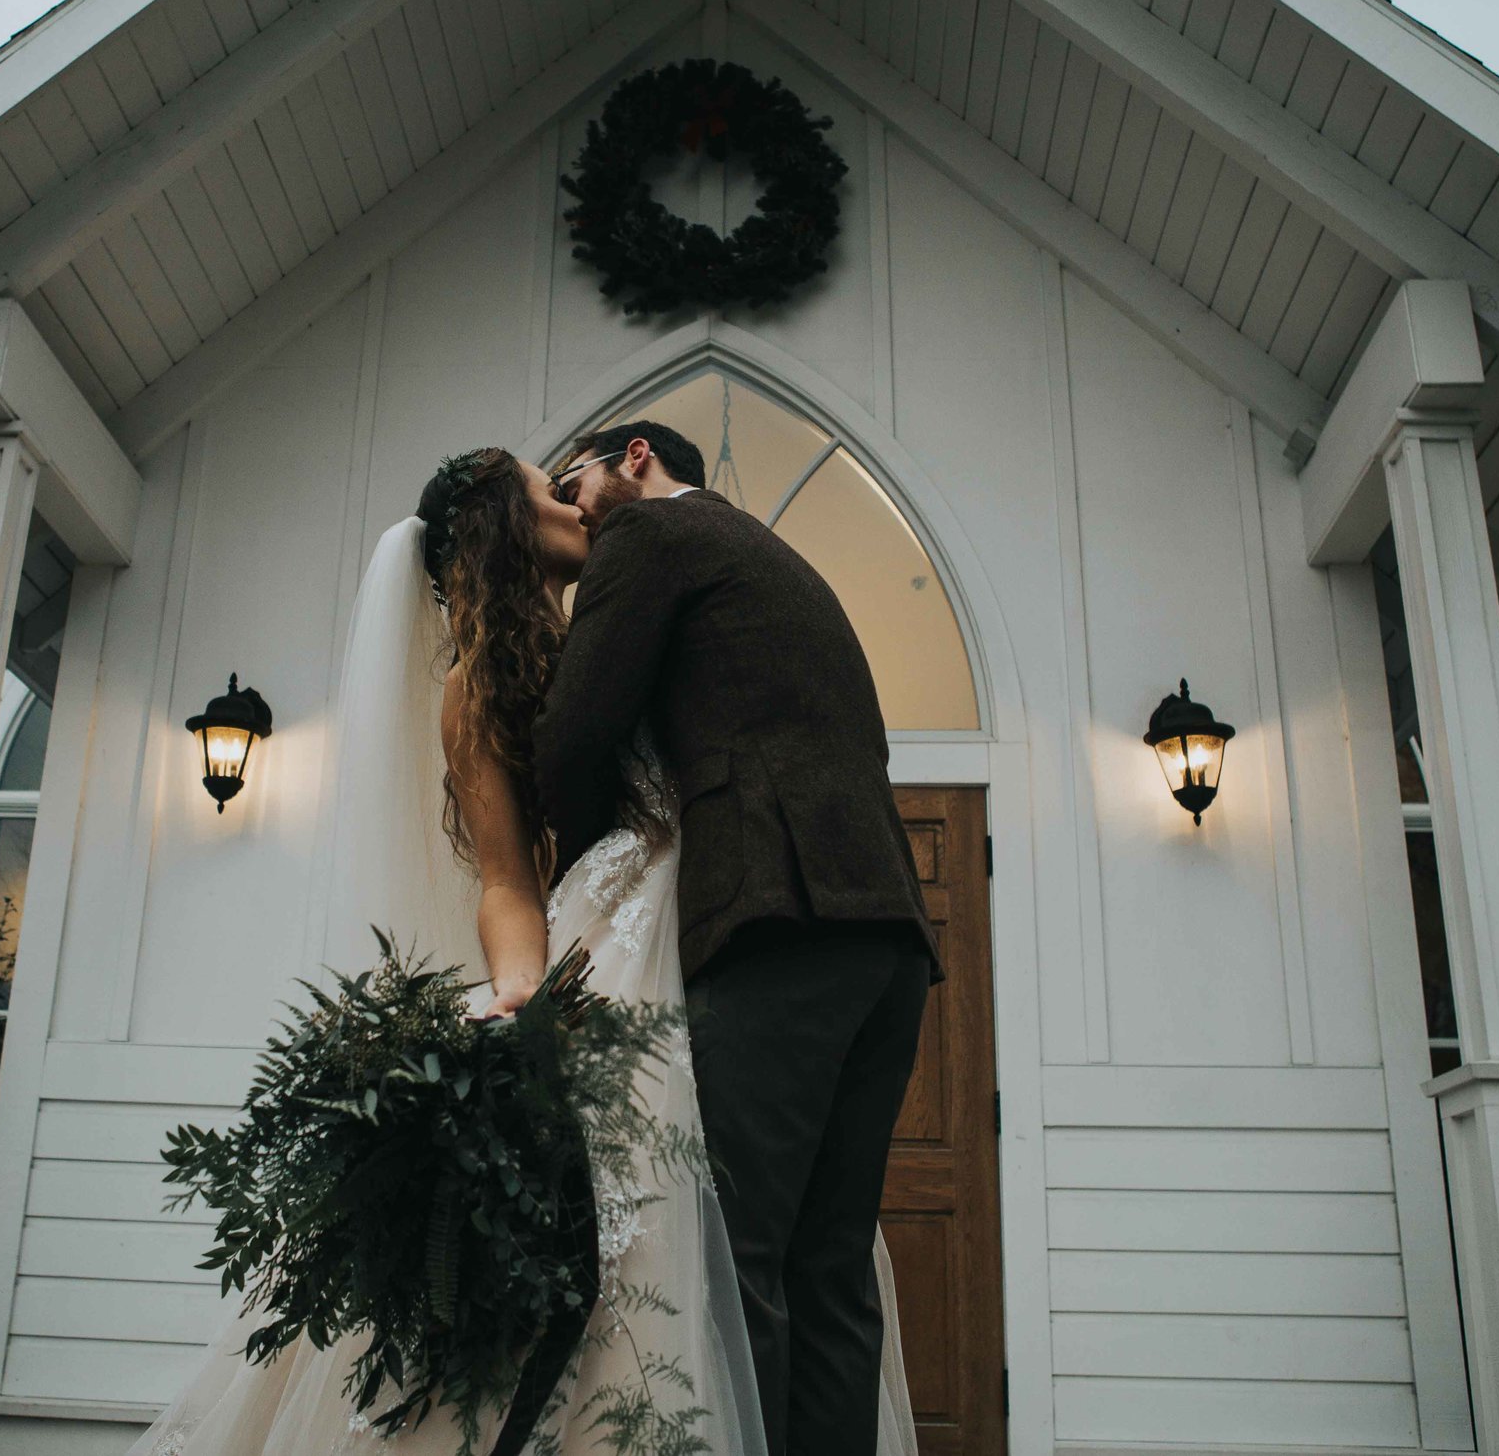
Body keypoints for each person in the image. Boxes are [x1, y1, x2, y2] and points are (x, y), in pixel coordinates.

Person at [121, 447, 915, 1456]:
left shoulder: (633, 609)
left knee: (741, 1238)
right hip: (623, 940)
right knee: (678, 1242)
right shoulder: (476, 683)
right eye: (552, 487)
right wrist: (519, 986)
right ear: (504, 521)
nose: (579, 499)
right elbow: (504, 874)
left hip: (723, 913)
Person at [535, 423, 940, 1456]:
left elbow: (577, 731)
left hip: (777, 918)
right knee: (831, 1268)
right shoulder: (772, 559)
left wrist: (579, 875)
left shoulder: (650, 538)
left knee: (736, 1253)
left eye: (570, 480)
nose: (568, 507)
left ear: (633, 457)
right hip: (885, 933)